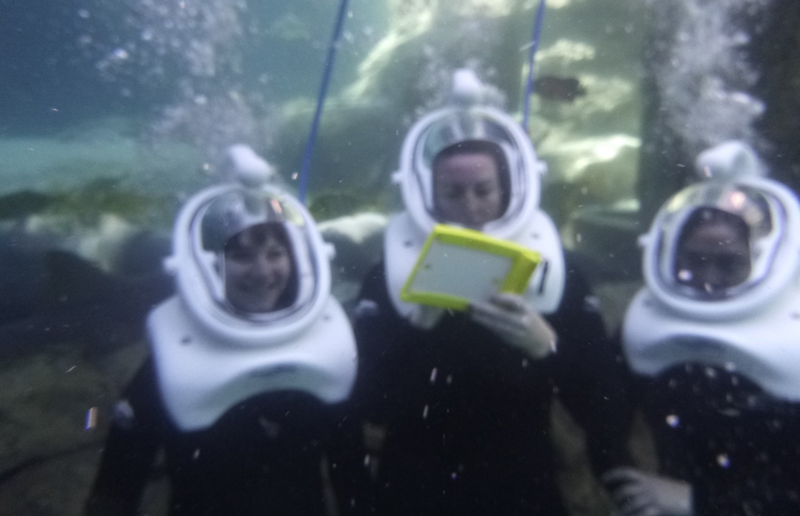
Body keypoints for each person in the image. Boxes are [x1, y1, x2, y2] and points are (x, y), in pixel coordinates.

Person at [349, 70, 632, 515]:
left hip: (521, 489)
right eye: (453, 193)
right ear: (427, 194)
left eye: (484, 190)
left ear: (509, 189)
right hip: (414, 494)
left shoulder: (559, 272)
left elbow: (605, 408)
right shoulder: (389, 276)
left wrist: (548, 346)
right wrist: (419, 326)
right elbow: (370, 404)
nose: (471, 208)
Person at [85, 145, 359, 516]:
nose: (263, 273)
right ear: (210, 264)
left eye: (275, 254)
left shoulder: (326, 345)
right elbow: (115, 492)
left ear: (296, 260)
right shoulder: (173, 358)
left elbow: (353, 479)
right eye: (242, 255)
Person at [609, 141, 800, 516]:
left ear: (768, 261)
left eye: (729, 265)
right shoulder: (645, 323)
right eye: (694, 261)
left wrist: (698, 501)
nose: (707, 280)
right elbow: (600, 413)